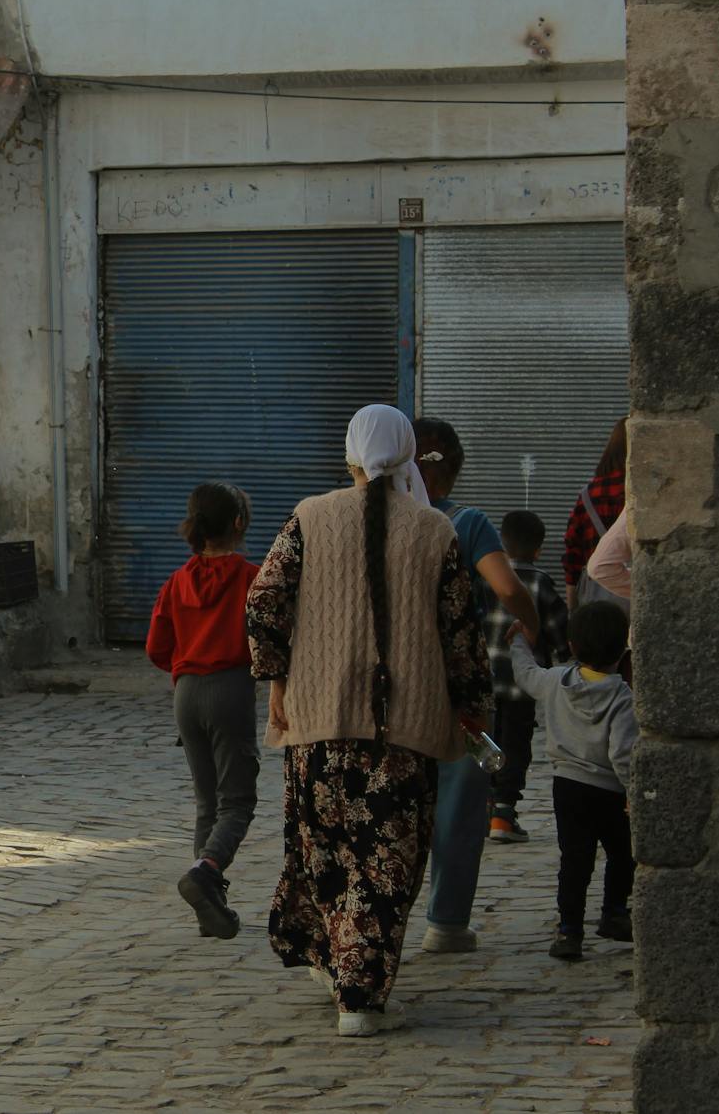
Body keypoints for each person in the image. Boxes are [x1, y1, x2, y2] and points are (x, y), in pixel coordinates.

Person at [247, 404, 491, 1038]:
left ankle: (335, 965)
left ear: (350, 456)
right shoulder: (436, 530)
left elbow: (266, 599)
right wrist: (472, 710)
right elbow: (461, 636)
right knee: (385, 862)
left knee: (324, 848)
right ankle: (358, 995)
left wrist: (277, 682)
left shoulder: (308, 516)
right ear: (408, 453)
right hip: (401, 735)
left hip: (318, 724)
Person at [412, 418, 541, 954]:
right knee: (463, 797)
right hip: (460, 687)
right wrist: (531, 624)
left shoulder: (383, 521)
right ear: (454, 466)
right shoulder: (467, 523)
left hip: (394, 685)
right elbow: (508, 586)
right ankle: (446, 922)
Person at [146, 483, 260, 940]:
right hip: (230, 688)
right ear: (238, 523)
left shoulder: (176, 581)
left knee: (206, 802)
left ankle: (208, 910)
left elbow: (157, 648)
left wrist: (185, 663)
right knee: (238, 802)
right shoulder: (253, 577)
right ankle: (206, 872)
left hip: (186, 693)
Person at [508, 601, 638, 961]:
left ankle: (569, 932)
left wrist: (518, 640)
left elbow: (525, 673)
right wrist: (633, 792)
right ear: (623, 652)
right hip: (610, 792)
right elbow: (622, 753)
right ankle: (613, 912)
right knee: (622, 854)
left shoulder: (555, 682)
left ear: (574, 646)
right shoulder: (622, 697)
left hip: (568, 788)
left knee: (575, 861)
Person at [484, 510, 571, 844]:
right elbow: (557, 630)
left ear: (501, 544)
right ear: (538, 549)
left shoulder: (486, 577)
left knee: (485, 742)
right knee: (516, 747)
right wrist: (563, 662)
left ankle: (484, 804)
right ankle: (504, 815)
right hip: (522, 685)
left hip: (486, 683)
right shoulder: (541, 582)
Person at [565, 416, 628, 609]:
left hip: (596, 602)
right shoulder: (639, 495)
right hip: (632, 592)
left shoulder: (587, 496)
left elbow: (572, 556)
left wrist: (572, 610)